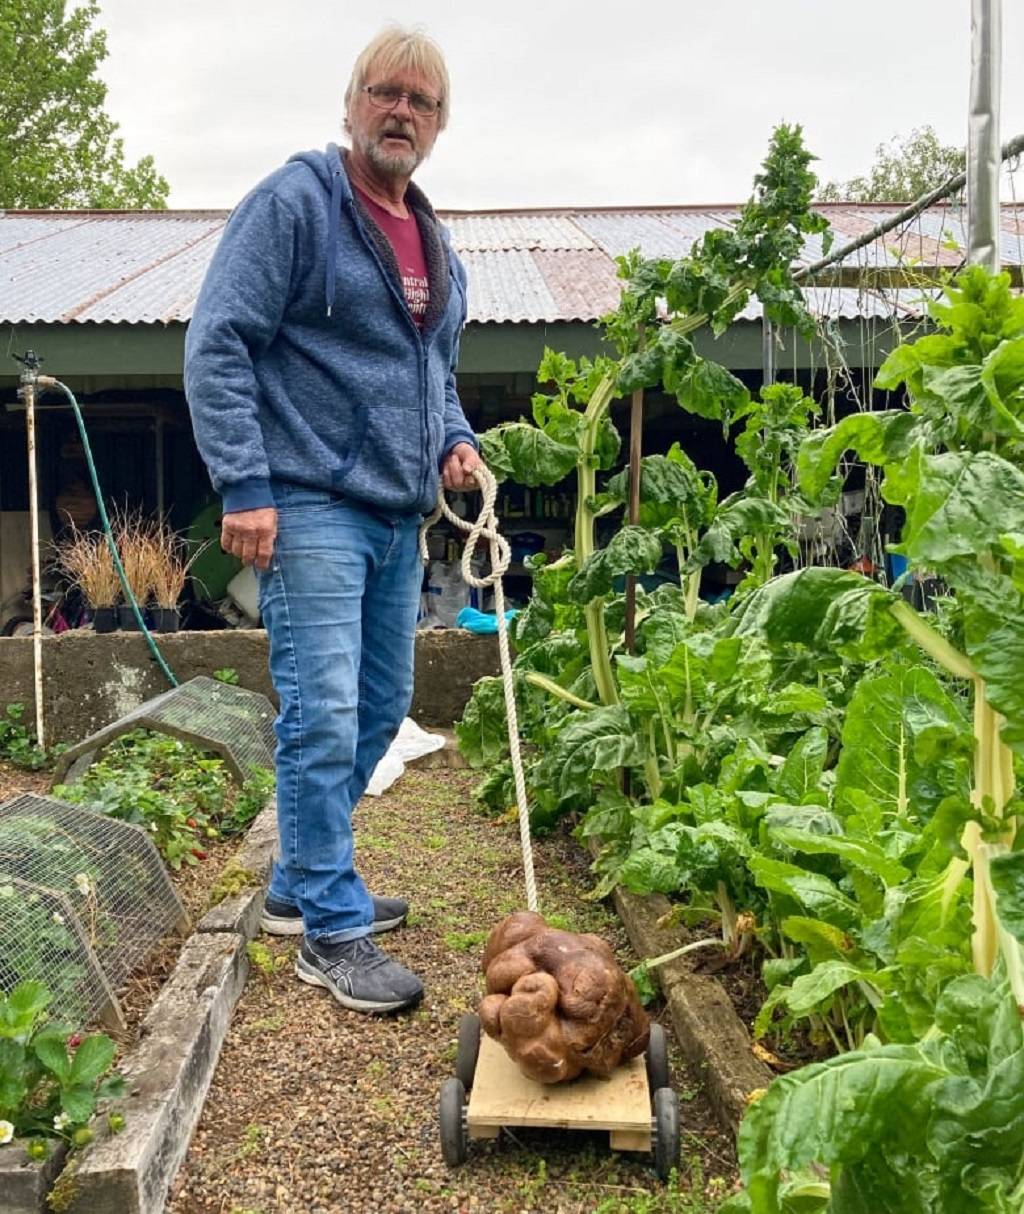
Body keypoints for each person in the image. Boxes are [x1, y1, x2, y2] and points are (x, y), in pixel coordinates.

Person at [184, 27, 481, 1014]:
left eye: (421, 101)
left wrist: (454, 437)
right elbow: (219, 339)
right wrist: (244, 481)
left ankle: (298, 881)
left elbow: (432, 373)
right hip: (306, 499)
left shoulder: (432, 240)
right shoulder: (299, 204)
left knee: (381, 704)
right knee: (321, 715)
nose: (401, 111)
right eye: (384, 92)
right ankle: (330, 927)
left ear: (438, 125)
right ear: (351, 104)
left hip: (398, 515)